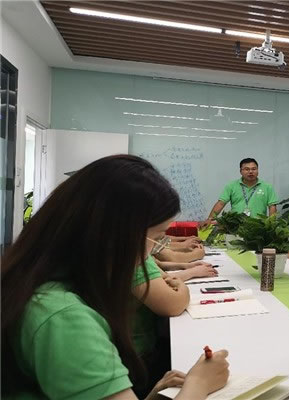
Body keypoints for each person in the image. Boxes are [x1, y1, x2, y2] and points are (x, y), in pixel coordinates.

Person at [1, 155, 230, 399]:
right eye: (156, 238)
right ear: (114, 235)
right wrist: (199, 383)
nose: (153, 252)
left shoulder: (38, 285)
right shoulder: (64, 318)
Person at [200, 158, 278, 227]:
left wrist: (271, 224)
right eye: (247, 169)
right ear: (241, 171)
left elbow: (272, 207)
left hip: (258, 227)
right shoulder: (231, 186)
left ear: (257, 170)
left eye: (254, 169)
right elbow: (221, 203)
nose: (251, 172)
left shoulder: (267, 187)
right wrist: (210, 219)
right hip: (234, 226)